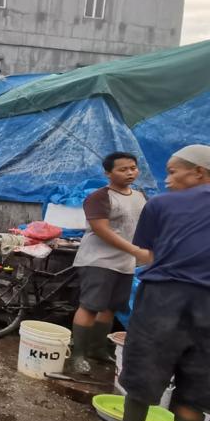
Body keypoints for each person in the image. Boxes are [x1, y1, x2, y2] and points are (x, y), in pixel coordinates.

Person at [115, 145, 210, 421]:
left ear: (199, 172)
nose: (166, 179)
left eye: (173, 171)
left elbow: (148, 252)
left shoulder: (161, 204)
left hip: (163, 298)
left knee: (144, 370)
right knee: (197, 386)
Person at [65, 152, 146, 376]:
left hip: (125, 263)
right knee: (91, 306)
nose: (130, 173)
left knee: (111, 307)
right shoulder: (99, 197)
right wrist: (134, 250)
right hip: (98, 261)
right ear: (108, 173)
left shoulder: (139, 196)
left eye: (133, 168)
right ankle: (78, 354)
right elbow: (101, 230)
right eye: (123, 169)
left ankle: (98, 349)